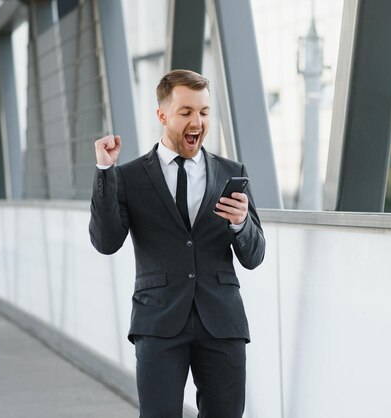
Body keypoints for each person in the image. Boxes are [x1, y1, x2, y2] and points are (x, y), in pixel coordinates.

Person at [89, 69, 265, 418]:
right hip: (158, 319)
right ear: (163, 115)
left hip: (222, 321)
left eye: (203, 111)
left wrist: (241, 223)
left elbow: (255, 255)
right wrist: (105, 172)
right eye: (186, 112)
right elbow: (107, 242)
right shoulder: (130, 176)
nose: (196, 121)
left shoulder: (231, 172)